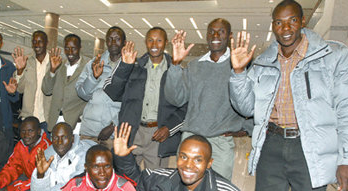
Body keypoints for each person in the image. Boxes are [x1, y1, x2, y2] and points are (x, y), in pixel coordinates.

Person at [229, 0, 348, 190]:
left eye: (292, 20)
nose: (286, 28)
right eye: (279, 22)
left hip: (311, 147)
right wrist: (239, 72)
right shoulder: (264, 62)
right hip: (271, 144)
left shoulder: (334, 55)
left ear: (303, 21)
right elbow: (245, 108)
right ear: (273, 25)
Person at [165, 19, 253, 180]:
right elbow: (176, 99)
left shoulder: (240, 65)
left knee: (219, 186)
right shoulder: (195, 65)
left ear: (230, 35)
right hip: (191, 137)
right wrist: (176, 65)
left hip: (220, 143)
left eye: (221, 31)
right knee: (186, 185)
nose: (215, 35)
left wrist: (246, 127)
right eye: (211, 31)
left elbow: (252, 101)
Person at [104, 27, 187, 169]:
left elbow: (185, 106)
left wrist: (169, 128)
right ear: (145, 42)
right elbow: (112, 92)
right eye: (150, 40)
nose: (154, 45)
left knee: (155, 181)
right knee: (126, 177)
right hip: (133, 132)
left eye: (159, 40)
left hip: (158, 135)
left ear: (166, 42)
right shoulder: (133, 66)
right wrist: (125, 66)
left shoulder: (176, 70)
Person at [113, 123, 240, 191]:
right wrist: (123, 157)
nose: (188, 165)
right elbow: (138, 181)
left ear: (209, 163)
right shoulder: (161, 179)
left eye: (198, 160)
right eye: (184, 157)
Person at [75, 26, 126, 148]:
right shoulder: (94, 63)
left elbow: (132, 104)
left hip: (113, 136)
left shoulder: (130, 68)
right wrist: (93, 77)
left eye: (117, 39)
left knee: (109, 167)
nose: (113, 42)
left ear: (124, 42)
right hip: (89, 132)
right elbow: (82, 94)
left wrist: (114, 126)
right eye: (110, 39)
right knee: (84, 166)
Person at [42, 34, 88, 132]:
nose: (70, 52)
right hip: (55, 120)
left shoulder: (88, 67)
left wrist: (83, 115)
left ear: (80, 48)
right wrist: (52, 70)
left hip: (76, 123)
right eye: (67, 48)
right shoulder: (58, 64)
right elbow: (46, 90)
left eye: (73, 48)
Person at [0, 116, 51, 191]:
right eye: (23, 131)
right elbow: (12, 167)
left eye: (30, 131)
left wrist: (12, 188)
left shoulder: (46, 148)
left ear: (39, 131)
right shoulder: (21, 145)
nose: (26, 135)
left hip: (42, 184)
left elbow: (40, 179)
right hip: (27, 179)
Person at [30, 122, 95, 190]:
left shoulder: (84, 155)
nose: (60, 142)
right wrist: (40, 175)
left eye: (64, 137)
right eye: (55, 137)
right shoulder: (48, 154)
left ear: (72, 138)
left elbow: (74, 187)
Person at [12, 31, 53, 138]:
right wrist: (19, 71)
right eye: (34, 42)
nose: (37, 45)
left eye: (40, 42)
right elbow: (19, 89)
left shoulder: (55, 62)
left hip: (47, 119)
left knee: (46, 152)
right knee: (27, 152)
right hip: (28, 117)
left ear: (47, 43)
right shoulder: (26, 61)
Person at [61, 144, 136, 191]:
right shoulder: (75, 185)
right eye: (96, 167)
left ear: (113, 166)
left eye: (107, 166)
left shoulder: (124, 187)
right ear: (86, 167)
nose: (102, 173)